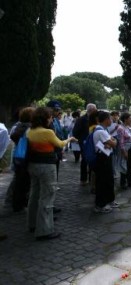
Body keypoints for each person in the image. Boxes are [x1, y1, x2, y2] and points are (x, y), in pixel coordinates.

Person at [26, 107, 76, 240]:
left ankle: (32, 224)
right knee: (47, 197)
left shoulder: (30, 131)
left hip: (32, 165)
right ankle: (44, 230)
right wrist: (69, 139)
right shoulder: (47, 132)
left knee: (34, 195)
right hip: (47, 166)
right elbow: (59, 144)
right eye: (49, 117)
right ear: (45, 119)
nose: (51, 119)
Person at [9, 107, 35, 212]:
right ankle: (20, 204)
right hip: (27, 158)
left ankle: (17, 204)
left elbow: (13, 137)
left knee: (19, 182)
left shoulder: (18, 126)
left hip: (18, 157)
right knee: (24, 182)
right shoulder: (29, 128)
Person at [93, 111, 119, 213]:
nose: (112, 120)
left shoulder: (103, 130)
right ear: (106, 119)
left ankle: (109, 200)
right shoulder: (101, 131)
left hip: (105, 157)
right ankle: (100, 205)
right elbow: (113, 143)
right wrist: (113, 142)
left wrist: (111, 142)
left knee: (108, 180)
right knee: (102, 181)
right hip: (102, 158)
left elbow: (111, 142)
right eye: (110, 118)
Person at [72, 103, 97, 185]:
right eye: (95, 110)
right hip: (84, 143)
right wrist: (81, 140)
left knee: (92, 160)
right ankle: (83, 179)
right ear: (91, 110)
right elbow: (75, 132)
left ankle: (91, 179)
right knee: (85, 160)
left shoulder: (96, 119)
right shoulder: (81, 119)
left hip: (94, 143)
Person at [117, 112, 131, 189]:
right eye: (130, 118)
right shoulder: (120, 128)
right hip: (126, 150)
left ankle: (130, 182)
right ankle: (123, 183)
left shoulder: (128, 128)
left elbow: (130, 138)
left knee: (130, 166)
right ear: (125, 119)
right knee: (124, 166)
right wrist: (124, 152)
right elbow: (121, 142)